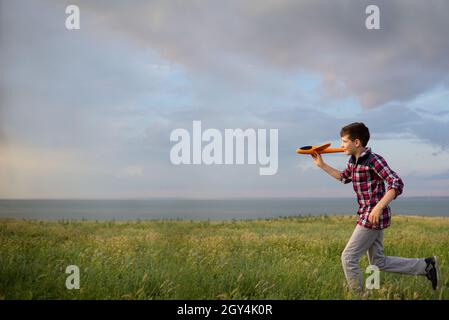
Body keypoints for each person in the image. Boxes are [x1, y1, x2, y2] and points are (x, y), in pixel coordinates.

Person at [310, 122, 438, 291]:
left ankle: (357, 296)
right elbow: (343, 177)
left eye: (344, 141)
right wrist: (322, 165)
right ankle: (426, 266)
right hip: (366, 214)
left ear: (356, 142)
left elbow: (396, 183)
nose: (341, 146)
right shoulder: (353, 161)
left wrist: (378, 207)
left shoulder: (374, 160)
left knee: (348, 257)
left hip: (372, 216)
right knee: (378, 262)